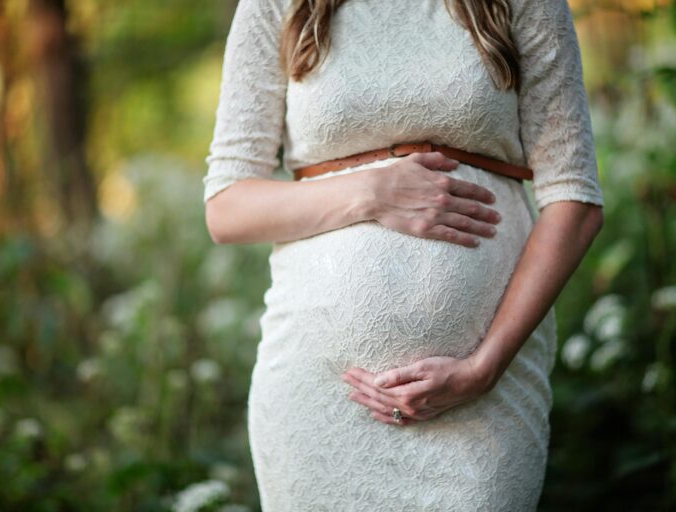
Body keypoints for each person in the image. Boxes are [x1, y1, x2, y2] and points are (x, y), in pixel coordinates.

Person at [202, 0, 605, 509]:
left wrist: (483, 368)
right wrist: (371, 193)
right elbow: (227, 207)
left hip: (485, 398)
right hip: (316, 397)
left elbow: (575, 200)